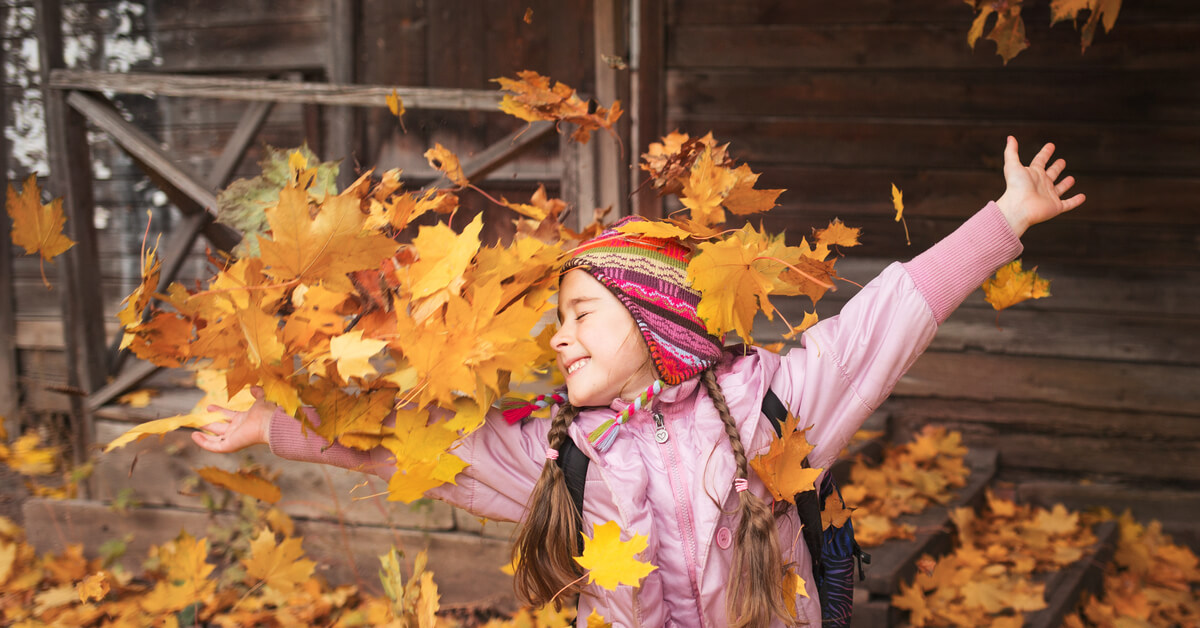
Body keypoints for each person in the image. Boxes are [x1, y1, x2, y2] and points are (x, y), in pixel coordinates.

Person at [193, 136, 1084, 627]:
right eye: (558, 319)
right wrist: (275, 427)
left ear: (654, 320)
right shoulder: (561, 451)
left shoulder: (773, 404)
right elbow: (414, 455)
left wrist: (1005, 217)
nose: (561, 336)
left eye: (583, 313)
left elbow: (886, 318)